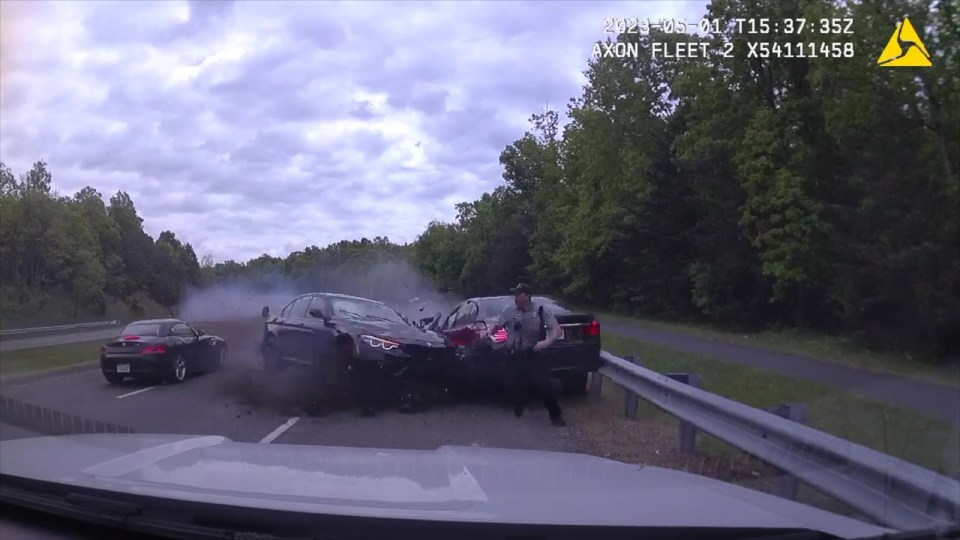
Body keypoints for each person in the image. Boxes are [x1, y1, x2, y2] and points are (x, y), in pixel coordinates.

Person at [489, 283, 566, 427]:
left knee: (544, 385)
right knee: (514, 384)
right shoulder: (509, 311)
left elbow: (556, 329)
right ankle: (519, 404)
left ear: (527, 296)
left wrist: (547, 342)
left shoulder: (540, 311)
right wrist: (490, 330)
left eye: (518, 294)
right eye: (515, 294)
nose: (515, 297)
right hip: (513, 353)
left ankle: (556, 416)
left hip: (532, 353)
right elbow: (498, 325)